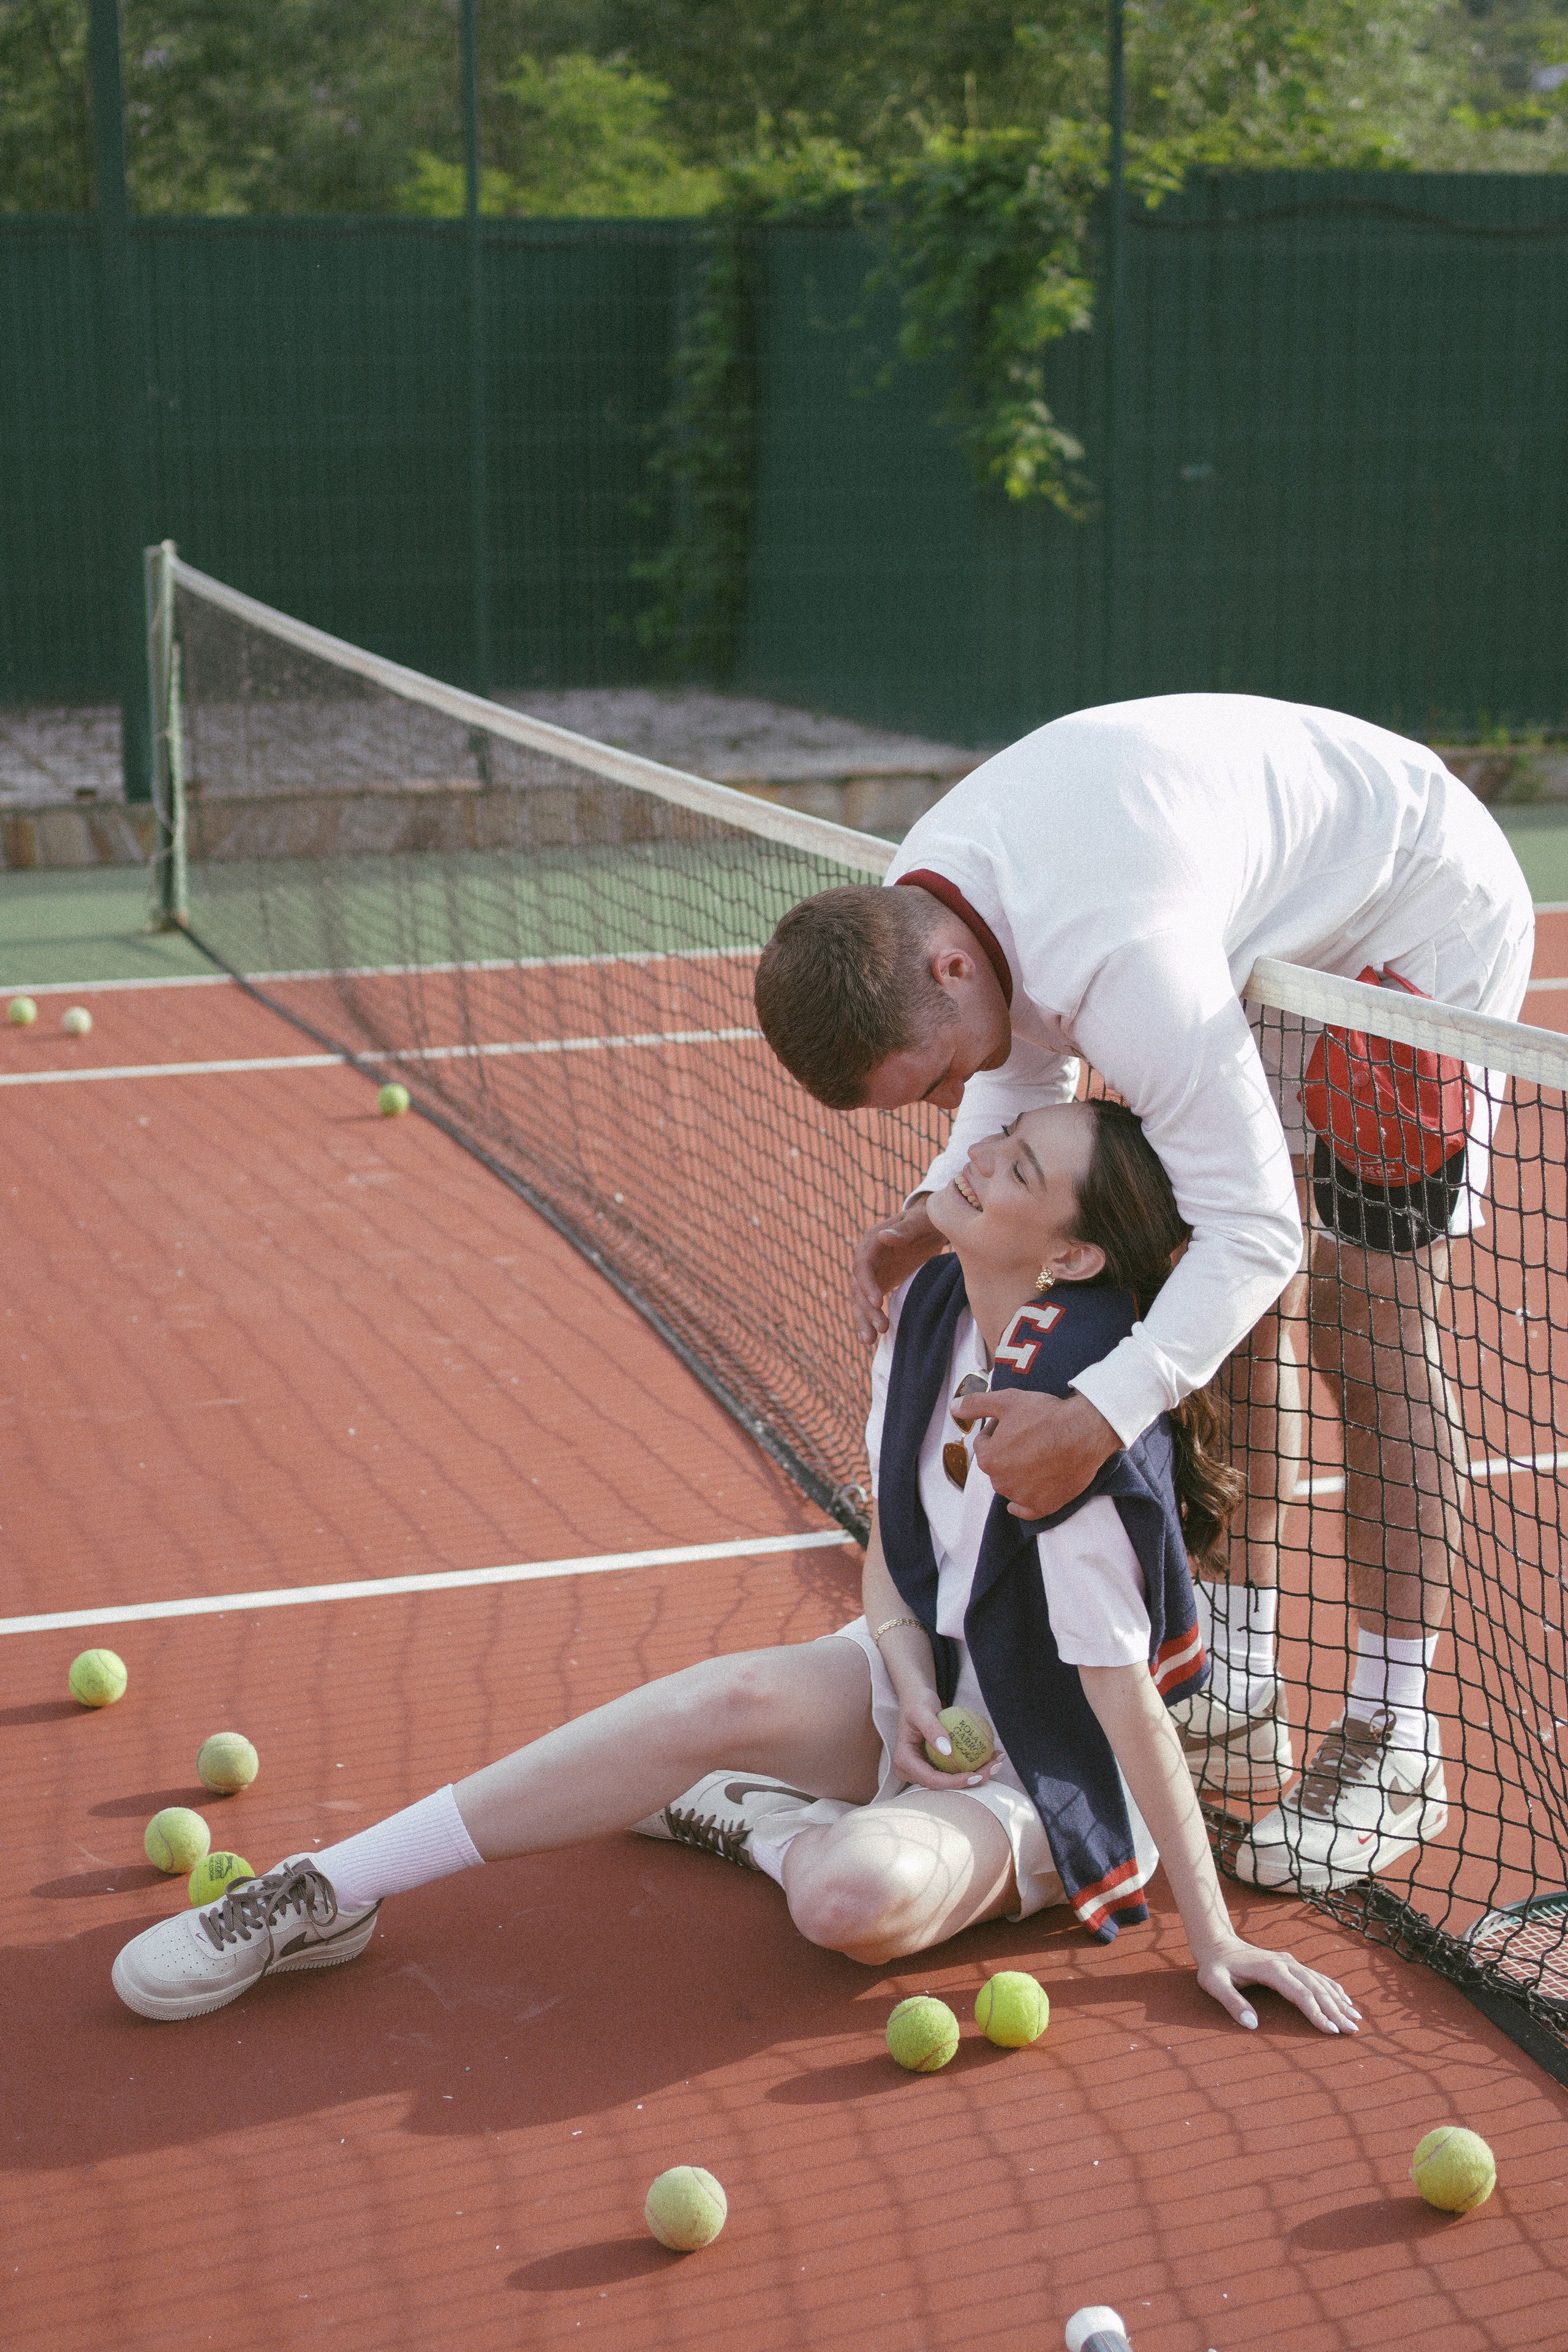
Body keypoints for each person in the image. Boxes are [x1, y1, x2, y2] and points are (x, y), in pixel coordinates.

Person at [111, 1100, 1356, 2041]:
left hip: (1047, 1762)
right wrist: (904, 1674)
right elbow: (890, 1560)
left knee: (849, 1902)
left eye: (1020, 1167)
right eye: (1002, 1136)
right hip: (939, 1687)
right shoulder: (926, 1317)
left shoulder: (1065, 1433)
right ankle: (328, 1888)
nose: (976, 1158)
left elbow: (1120, 1700)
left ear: (1074, 1259)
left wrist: (1214, 1934)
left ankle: (760, 1818)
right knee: (717, 1705)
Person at [751, 692, 1534, 1893]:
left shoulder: (1113, 947)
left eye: (935, 1076)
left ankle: (1393, 1734)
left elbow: (1257, 1230)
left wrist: (1098, 1414)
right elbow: (1014, 1075)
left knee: (1361, 1318)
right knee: (1229, 1314)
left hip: (1408, 919)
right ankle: (1239, 1670)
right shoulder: (933, 906)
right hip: (1261, 925)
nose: (946, 1095)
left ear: (946, 965)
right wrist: (925, 1216)